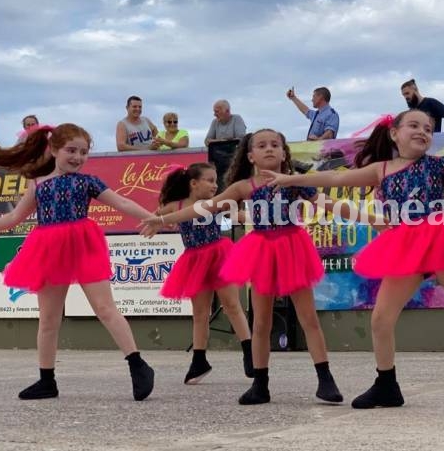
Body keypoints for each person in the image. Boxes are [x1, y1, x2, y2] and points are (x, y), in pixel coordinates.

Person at [262, 111, 444, 412]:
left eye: (429, 128)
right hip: (405, 243)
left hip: (440, 240)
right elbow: (335, 177)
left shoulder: (437, 164)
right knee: (381, 319)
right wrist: (293, 178)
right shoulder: (380, 169)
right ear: (394, 133)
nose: (422, 131)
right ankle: (386, 384)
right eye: (414, 126)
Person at [141, 129, 346, 406]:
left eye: (275, 144)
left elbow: (328, 203)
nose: (269, 149)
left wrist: (369, 217)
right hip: (261, 249)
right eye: (262, 145)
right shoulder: (243, 187)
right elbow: (204, 208)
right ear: (251, 155)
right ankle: (260, 383)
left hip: (292, 246)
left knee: (308, 318)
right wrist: (162, 220)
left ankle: (325, 378)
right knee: (261, 322)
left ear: (284, 153)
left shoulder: (295, 182)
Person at [0, 123, 156, 401]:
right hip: (48, 249)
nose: (78, 157)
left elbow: (122, 203)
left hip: (82, 245)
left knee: (105, 308)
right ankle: (46, 380)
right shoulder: (38, 184)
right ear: (53, 150)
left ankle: (138, 365)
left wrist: (152, 218)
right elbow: (13, 218)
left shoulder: (87, 182)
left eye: (84, 152)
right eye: (71, 150)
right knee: (49, 320)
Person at [155, 163, 253, 384]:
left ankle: (249, 353)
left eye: (216, 181)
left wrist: (260, 217)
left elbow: (237, 214)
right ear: (193, 183)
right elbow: (154, 216)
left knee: (232, 305)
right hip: (194, 261)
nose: (215, 185)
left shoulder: (214, 204)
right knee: (200, 313)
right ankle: (199, 361)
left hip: (219, 255)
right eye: (210, 180)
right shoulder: (176, 206)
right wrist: (153, 222)